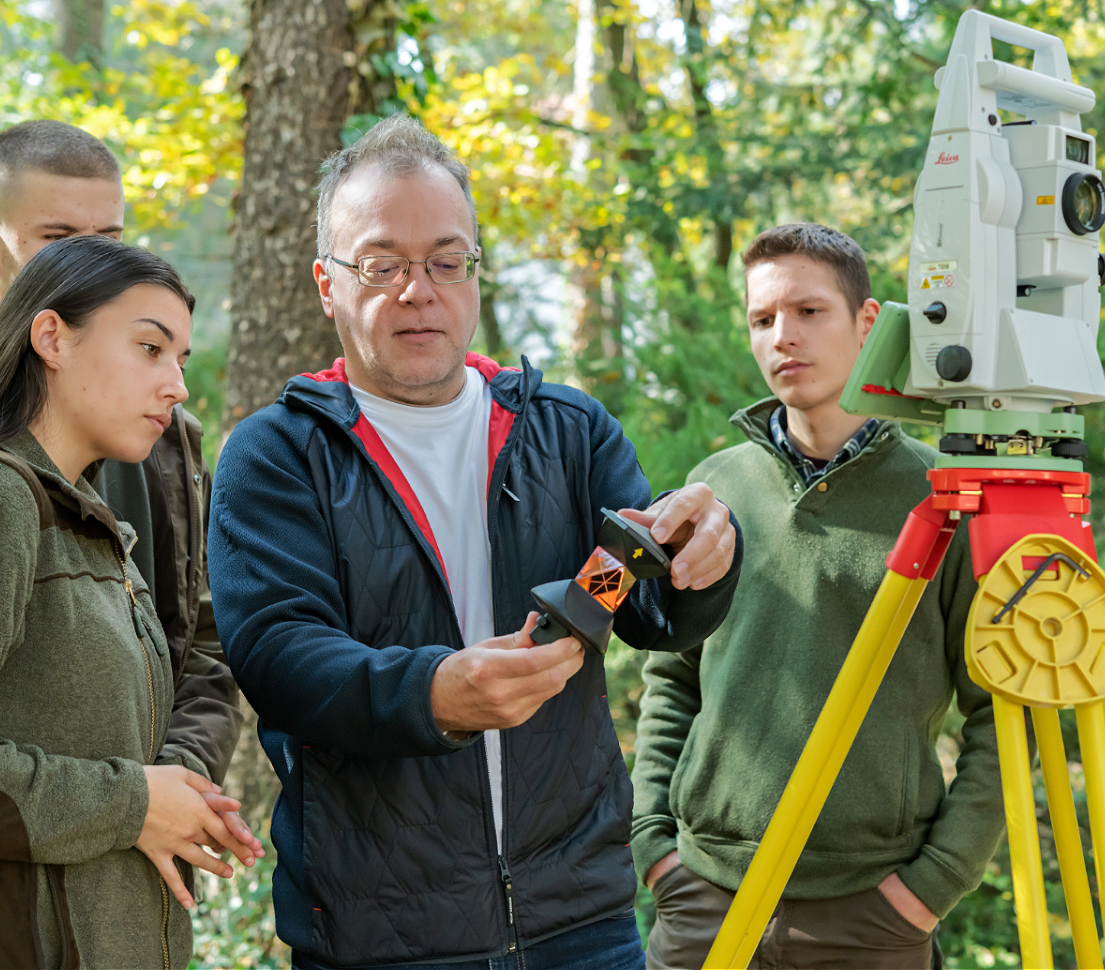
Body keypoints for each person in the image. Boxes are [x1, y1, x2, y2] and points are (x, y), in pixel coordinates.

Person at [205, 113, 742, 970]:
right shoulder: (277, 455)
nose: (420, 290)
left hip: (583, 923)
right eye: (382, 265)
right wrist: (432, 693)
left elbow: (639, 605)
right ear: (326, 283)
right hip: (382, 933)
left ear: (475, 275)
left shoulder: (566, 431)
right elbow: (278, 655)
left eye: (447, 262)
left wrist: (703, 556)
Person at [0, 121, 250, 953]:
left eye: (108, 240)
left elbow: (191, 650)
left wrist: (174, 791)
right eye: (153, 349)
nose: (175, 383)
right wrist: (130, 802)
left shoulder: (139, 451)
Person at [630, 223, 1003, 970]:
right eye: (762, 320)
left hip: (869, 911)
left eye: (808, 312)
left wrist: (931, 886)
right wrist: (655, 848)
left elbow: (1000, 709)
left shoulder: (949, 496)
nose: (782, 338)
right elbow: (673, 678)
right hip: (704, 896)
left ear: (866, 322)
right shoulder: (718, 486)